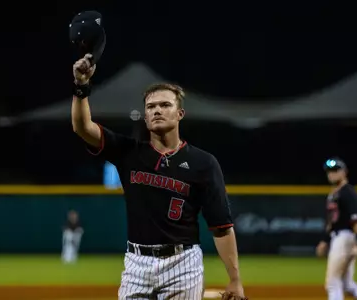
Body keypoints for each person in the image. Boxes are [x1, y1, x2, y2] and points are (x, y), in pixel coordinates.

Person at [71, 53, 246, 299]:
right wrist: (81, 86)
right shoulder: (128, 152)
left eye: (165, 105)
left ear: (180, 114)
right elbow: (82, 126)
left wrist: (235, 280)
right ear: (145, 116)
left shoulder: (203, 163)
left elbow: (222, 228)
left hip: (182, 262)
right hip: (136, 262)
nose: (157, 110)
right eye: (151, 107)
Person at [315, 158, 357, 300]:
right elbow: (332, 222)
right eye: (329, 171)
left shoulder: (348, 192)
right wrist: (324, 240)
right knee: (347, 284)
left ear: (344, 172)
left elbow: (356, 220)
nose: (332, 174)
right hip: (339, 237)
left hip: (345, 237)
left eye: (335, 170)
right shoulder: (334, 193)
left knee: (332, 283)